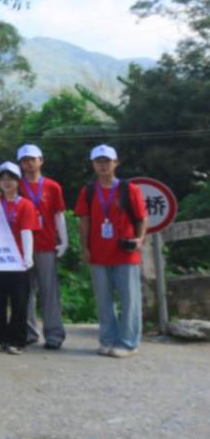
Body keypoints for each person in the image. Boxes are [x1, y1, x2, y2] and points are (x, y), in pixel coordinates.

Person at [75, 144, 147, 357]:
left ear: (116, 163)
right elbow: (84, 221)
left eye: (107, 161)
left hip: (125, 254)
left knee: (129, 300)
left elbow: (142, 218)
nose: (103, 165)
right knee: (103, 300)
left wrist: (140, 239)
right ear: (93, 165)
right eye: (99, 162)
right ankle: (107, 340)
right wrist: (85, 248)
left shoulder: (129, 189)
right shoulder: (88, 191)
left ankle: (128, 342)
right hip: (98, 253)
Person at [16, 144, 69, 349]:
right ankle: (29, 331)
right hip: (21, 247)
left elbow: (59, 215)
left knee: (50, 291)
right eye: (24, 160)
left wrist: (63, 241)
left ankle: (54, 334)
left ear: (41, 160)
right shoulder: (16, 185)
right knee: (25, 292)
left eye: (32, 159)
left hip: (46, 244)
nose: (29, 163)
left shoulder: (52, 186)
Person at [0, 162, 38, 354]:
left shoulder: (25, 204)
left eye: (11, 179)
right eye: (3, 179)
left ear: (18, 182)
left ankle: (17, 340)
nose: (7, 183)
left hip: (17, 261)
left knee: (19, 303)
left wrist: (28, 257)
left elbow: (26, 231)